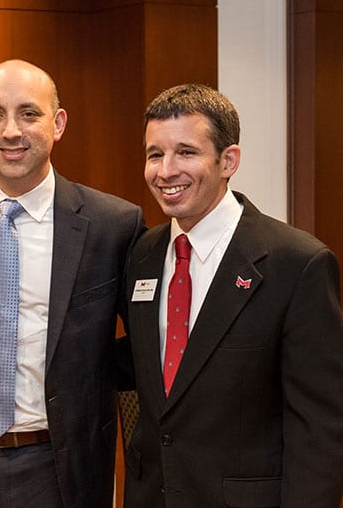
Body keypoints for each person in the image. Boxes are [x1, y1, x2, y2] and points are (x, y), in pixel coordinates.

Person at [0, 59, 145, 507]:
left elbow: (141, 347)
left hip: (57, 464)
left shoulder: (112, 224)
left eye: (29, 114)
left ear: (58, 124)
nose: (11, 131)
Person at [122, 83, 343, 507]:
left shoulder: (296, 264)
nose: (166, 170)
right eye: (155, 154)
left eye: (186, 152)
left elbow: (318, 427)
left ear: (228, 160)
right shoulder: (142, 255)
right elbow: (142, 363)